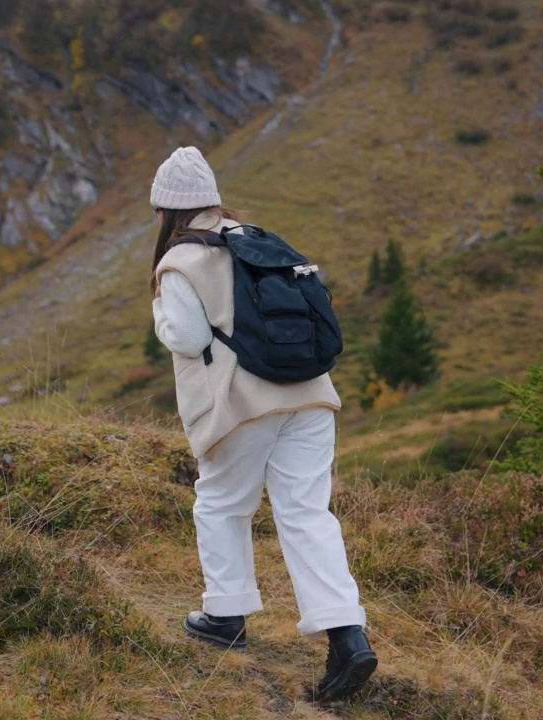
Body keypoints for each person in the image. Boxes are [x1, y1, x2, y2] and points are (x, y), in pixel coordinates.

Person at [148, 146, 377, 701]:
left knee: (223, 503)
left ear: (166, 210)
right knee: (306, 514)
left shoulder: (181, 260)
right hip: (311, 395)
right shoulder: (255, 238)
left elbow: (187, 337)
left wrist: (159, 308)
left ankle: (225, 616)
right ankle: (348, 638)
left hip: (244, 402)